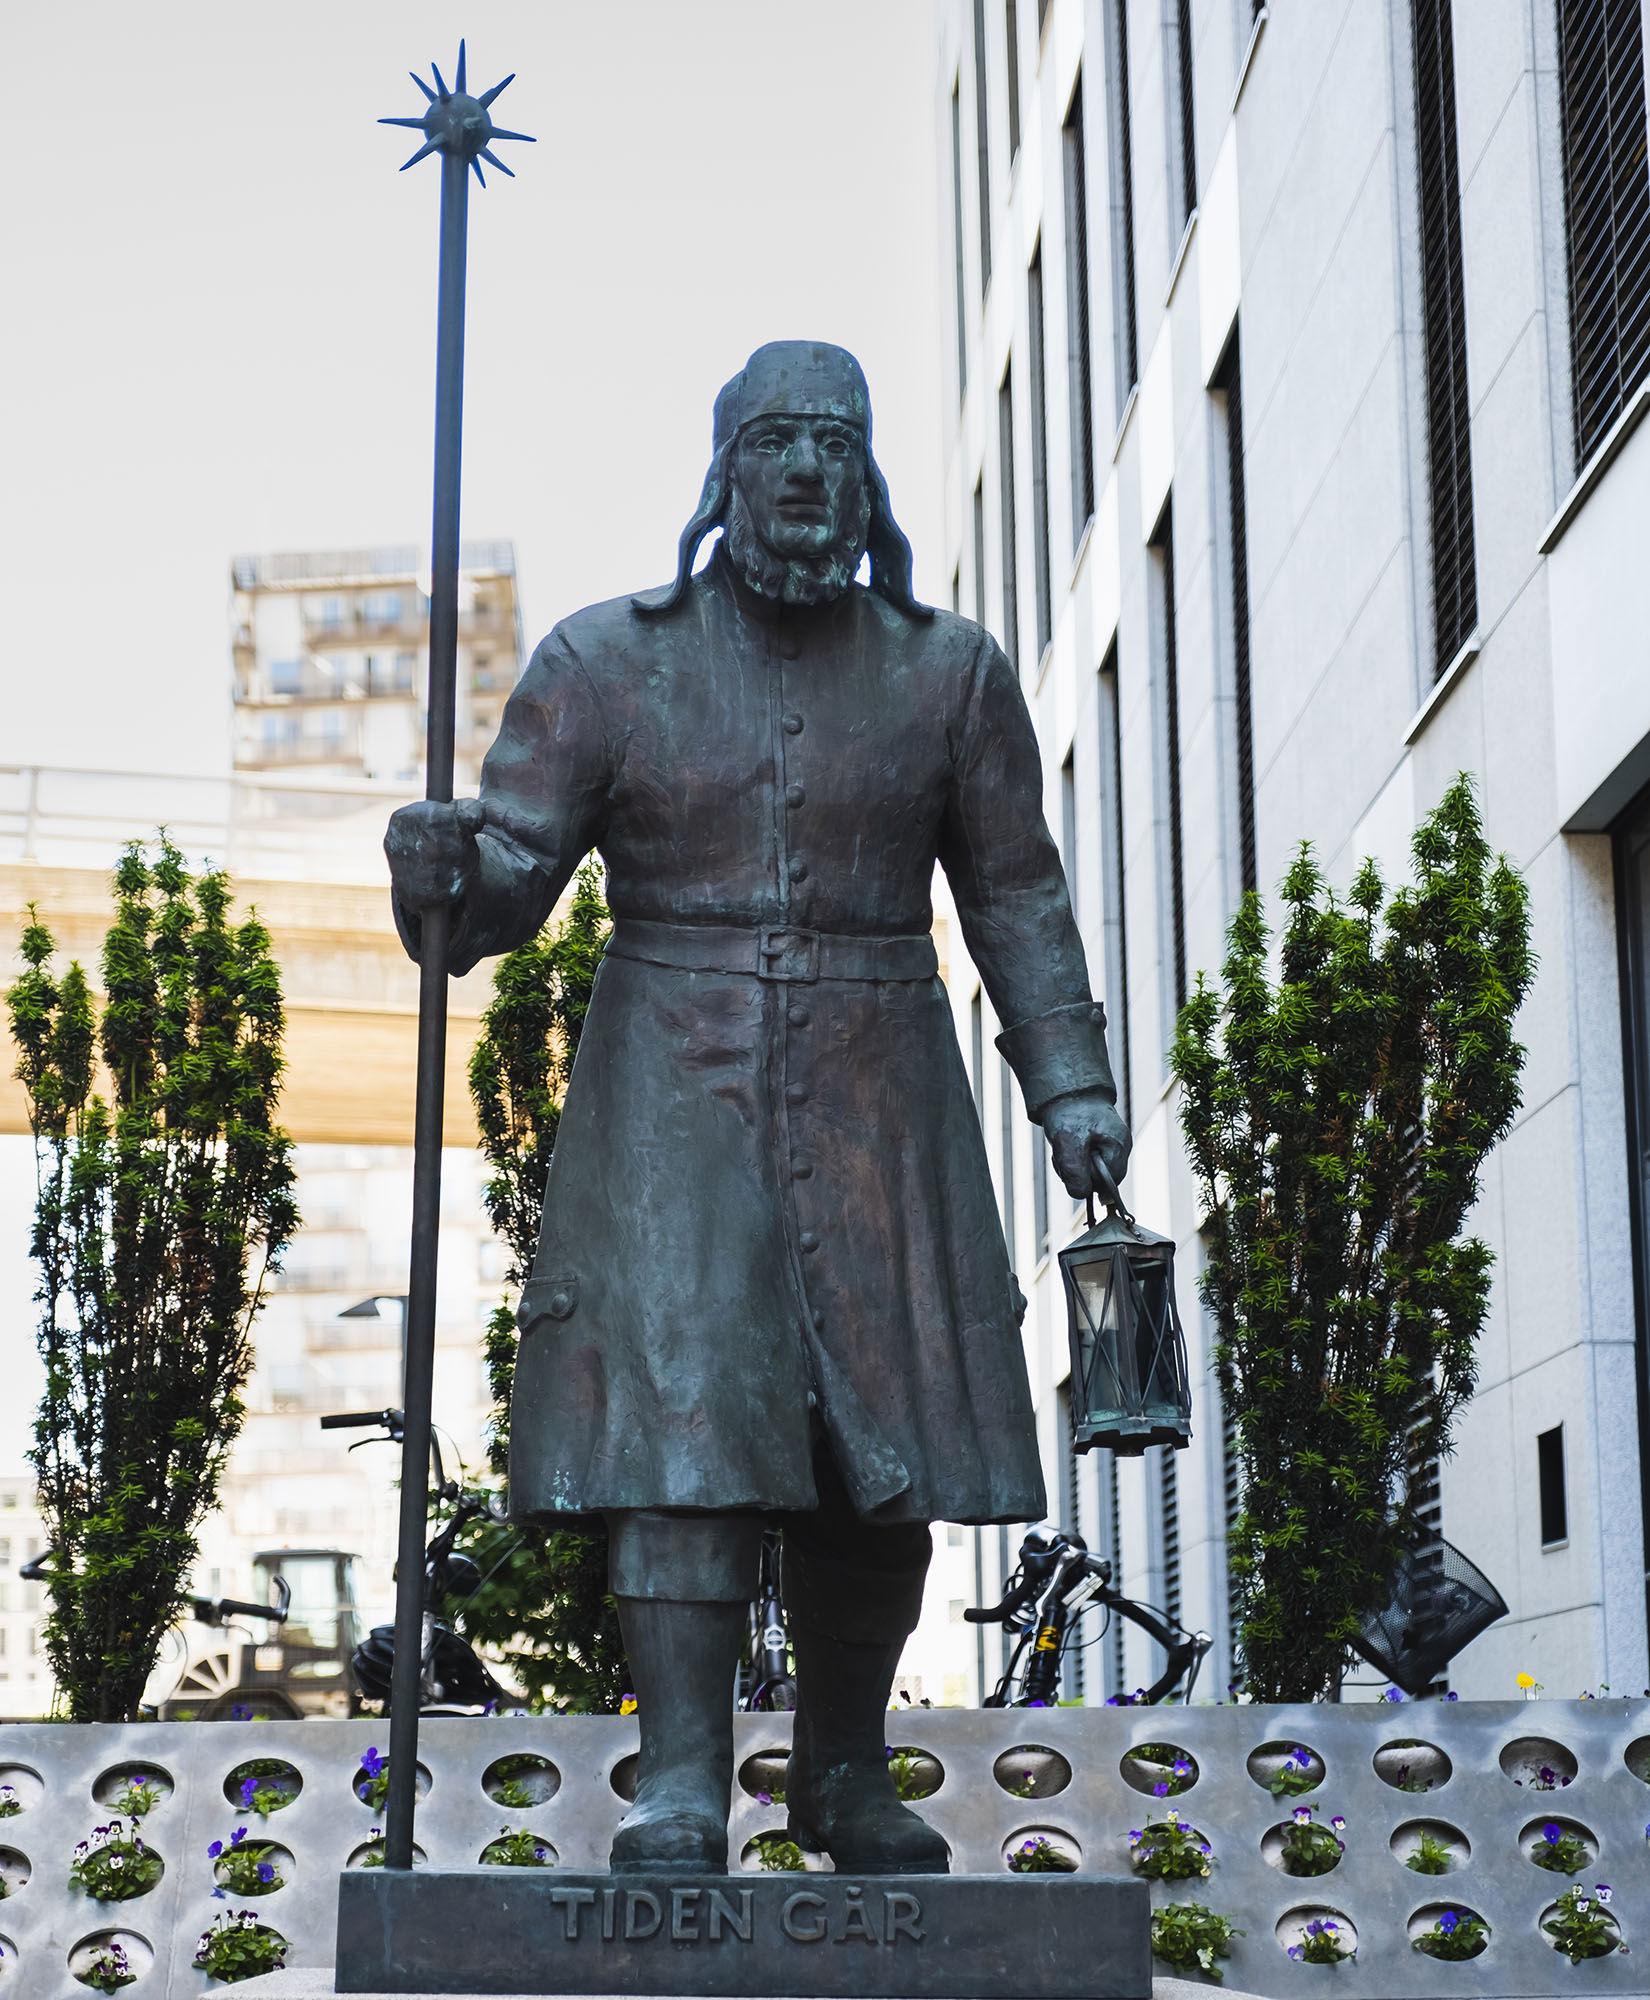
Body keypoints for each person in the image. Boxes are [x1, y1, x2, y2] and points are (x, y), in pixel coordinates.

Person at [386, 341, 1131, 1876]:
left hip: (881, 1075)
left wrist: (1070, 1085)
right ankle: (678, 1782)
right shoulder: (605, 660)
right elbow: (503, 895)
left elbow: (1014, 893)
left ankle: (845, 1774)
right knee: (685, 1431)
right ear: (723, 470)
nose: (805, 469)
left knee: (880, 1445)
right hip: (671, 1081)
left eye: (834, 443)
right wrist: (437, 865)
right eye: (776, 441)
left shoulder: (949, 671)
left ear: (866, 476)